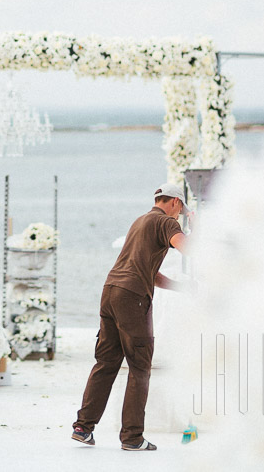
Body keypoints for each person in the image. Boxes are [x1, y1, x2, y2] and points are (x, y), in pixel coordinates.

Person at [71, 181, 191, 452]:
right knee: (139, 367)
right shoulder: (167, 223)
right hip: (132, 298)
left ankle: (83, 427)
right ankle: (132, 438)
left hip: (110, 291)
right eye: (180, 209)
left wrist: (180, 287)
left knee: (106, 362)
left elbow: (149, 272)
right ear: (175, 202)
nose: (179, 215)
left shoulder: (140, 222)